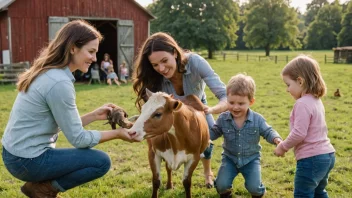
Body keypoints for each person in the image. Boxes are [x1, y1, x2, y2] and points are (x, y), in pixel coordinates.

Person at [1, 20, 136, 198]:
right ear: (73, 48)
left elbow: (65, 125)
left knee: (95, 160)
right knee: (100, 162)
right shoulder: (59, 82)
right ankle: (43, 190)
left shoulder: (49, 72)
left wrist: (94, 115)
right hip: (27, 160)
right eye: (91, 51)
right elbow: (79, 139)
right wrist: (118, 134)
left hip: (16, 155)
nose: (95, 58)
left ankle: (40, 187)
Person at [132, 32, 228, 188]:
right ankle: (168, 171)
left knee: (208, 137)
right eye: (155, 65)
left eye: (164, 61)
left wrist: (210, 110)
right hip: (169, 110)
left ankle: (207, 172)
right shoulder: (154, 79)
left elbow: (224, 95)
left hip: (198, 106)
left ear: (174, 53)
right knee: (163, 139)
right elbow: (153, 109)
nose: (161, 68)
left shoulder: (195, 62)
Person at [210, 73, 282, 198]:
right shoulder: (223, 119)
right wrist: (204, 136)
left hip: (251, 160)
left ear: (251, 101)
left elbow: (268, 131)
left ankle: (259, 193)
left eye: (241, 103)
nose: (235, 107)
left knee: (254, 187)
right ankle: (225, 193)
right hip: (229, 158)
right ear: (227, 99)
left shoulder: (257, 119)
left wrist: (277, 139)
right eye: (231, 102)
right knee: (221, 185)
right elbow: (215, 131)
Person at [274, 55, 335, 197]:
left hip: (311, 159)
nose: (287, 90)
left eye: (288, 85)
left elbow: (299, 133)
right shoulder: (316, 100)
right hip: (327, 155)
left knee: (303, 194)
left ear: (300, 81)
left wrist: (282, 147)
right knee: (319, 192)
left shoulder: (302, 103)